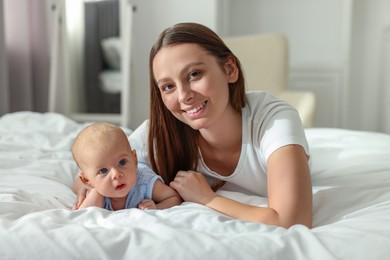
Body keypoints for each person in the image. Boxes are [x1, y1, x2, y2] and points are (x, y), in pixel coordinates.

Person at [73, 22, 312, 228]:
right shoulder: (160, 132)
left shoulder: (274, 120)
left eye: (194, 74)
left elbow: (291, 221)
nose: (183, 96)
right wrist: (91, 190)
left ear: (229, 69)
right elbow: (92, 168)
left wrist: (207, 198)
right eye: (168, 86)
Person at [71, 122, 182, 211]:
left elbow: (174, 198)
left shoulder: (145, 182)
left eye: (122, 162)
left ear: (134, 159)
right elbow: (83, 217)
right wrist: (91, 194)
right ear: (87, 180)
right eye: (103, 170)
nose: (116, 174)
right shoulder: (98, 191)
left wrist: (157, 207)